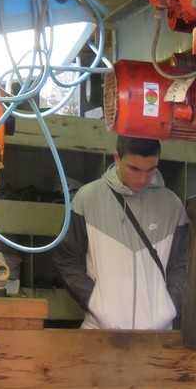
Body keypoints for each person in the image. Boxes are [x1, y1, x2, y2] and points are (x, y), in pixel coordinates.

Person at [53, 135, 189, 330]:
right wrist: (96, 303)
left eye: (150, 170)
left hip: (157, 336)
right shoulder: (88, 199)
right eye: (134, 169)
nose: (142, 178)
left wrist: (169, 307)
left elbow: (182, 264)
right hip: (100, 332)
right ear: (117, 158)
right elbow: (66, 259)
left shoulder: (172, 206)